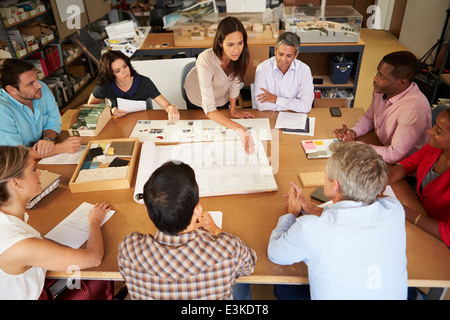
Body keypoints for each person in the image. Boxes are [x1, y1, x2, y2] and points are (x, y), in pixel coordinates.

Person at [268, 142, 408, 300]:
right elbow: (351, 215)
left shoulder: (310, 228)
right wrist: (313, 209)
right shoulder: (394, 210)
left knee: (284, 284)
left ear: (336, 185)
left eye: (327, 173)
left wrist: (292, 213)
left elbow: (275, 253)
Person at [118, 161, 257, 300]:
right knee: (241, 283)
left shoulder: (129, 249)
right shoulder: (227, 249)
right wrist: (215, 230)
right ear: (197, 210)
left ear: (147, 210)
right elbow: (249, 264)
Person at [0, 145, 114, 300]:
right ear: (16, 184)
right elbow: (94, 258)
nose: (40, 172)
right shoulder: (22, 246)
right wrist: (94, 220)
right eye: (34, 169)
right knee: (100, 281)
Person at [334, 51, 431, 164]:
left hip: (404, 167)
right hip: (382, 149)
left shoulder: (414, 108)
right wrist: (353, 132)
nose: (375, 79)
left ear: (402, 82)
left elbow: (394, 155)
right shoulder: (382, 90)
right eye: (377, 73)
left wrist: (355, 145)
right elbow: (369, 118)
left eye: (381, 76)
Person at [183, 16, 256, 154]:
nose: (236, 50)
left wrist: (233, 110)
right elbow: (209, 109)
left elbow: (235, 83)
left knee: (221, 136)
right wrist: (242, 129)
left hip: (220, 98)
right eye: (230, 44)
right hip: (198, 98)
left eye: (240, 43)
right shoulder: (205, 59)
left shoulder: (241, 56)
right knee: (201, 139)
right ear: (220, 43)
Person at [387, 107, 450, 247]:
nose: (430, 131)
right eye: (435, 126)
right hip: (421, 211)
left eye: (438, 131)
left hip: (439, 240)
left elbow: (448, 232)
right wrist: (383, 181)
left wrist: (402, 209)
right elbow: (408, 164)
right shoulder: (435, 147)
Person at [0, 59, 81, 159]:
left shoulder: (42, 90)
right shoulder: (2, 111)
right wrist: (61, 148)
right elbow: (15, 154)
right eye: (30, 83)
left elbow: (53, 121)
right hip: (16, 164)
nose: (39, 85)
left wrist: (48, 139)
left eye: (36, 79)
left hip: (42, 156)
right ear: (11, 89)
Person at [88, 50, 180, 122]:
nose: (124, 72)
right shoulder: (105, 86)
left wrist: (171, 108)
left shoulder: (144, 82)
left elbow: (166, 105)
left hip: (143, 122)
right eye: (117, 71)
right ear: (110, 74)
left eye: (125, 66)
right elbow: (90, 106)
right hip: (119, 124)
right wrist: (111, 111)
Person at [253, 31, 314, 112]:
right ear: (275, 50)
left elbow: (306, 106)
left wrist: (276, 99)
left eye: (289, 56)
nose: (283, 60)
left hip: (295, 118)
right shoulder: (262, 69)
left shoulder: (304, 70)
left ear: (296, 55)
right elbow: (261, 105)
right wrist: (294, 105)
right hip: (270, 116)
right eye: (280, 54)